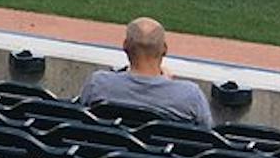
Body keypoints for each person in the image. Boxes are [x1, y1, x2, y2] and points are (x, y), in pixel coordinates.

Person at [77, 17, 213, 130]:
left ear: (125, 45)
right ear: (164, 49)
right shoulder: (189, 95)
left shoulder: (99, 84)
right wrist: (167, 85)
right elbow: (207, 134)